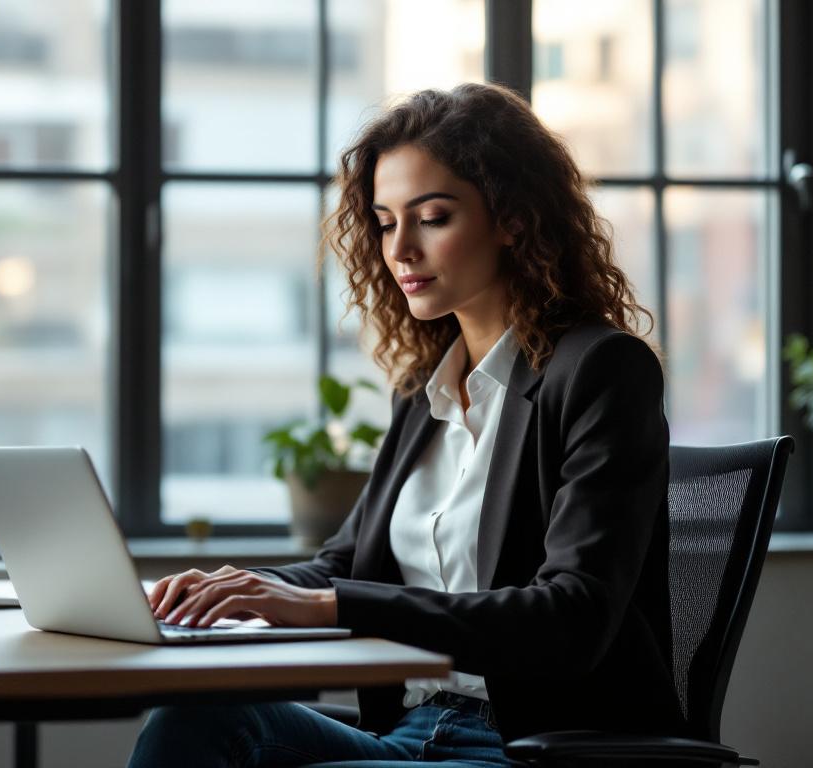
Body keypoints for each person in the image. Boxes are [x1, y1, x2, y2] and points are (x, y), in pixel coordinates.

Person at [127, 82, 689, 767]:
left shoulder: (602, 370)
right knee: (194, 717)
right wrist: (232, 590)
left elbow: (572, 616)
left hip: (536, 746)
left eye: (432, 217)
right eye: (387, 222)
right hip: (416, 728)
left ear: (513, 218)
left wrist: (335, 606)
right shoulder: (425, 391)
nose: (401, 250)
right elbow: (344, 565)